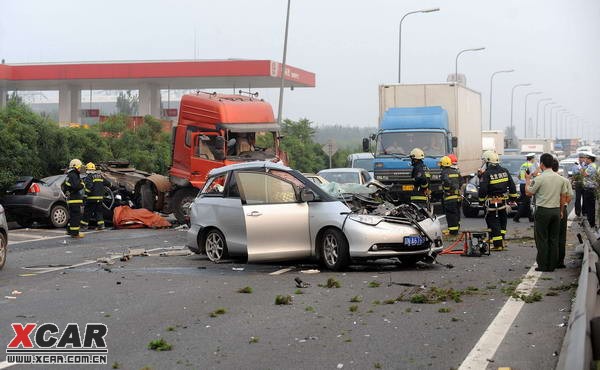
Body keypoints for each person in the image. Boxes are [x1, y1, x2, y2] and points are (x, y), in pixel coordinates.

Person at [526, 153, 566, 271]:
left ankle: (543, 265)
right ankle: (552, 265)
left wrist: (528, 180)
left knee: (542, 238)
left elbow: (529, 193)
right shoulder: (560, 178)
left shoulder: (540, 178)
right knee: (554, 239)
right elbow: (563, 196)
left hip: (543, 210)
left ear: (542, 164)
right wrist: (561, 210)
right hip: (556, 210)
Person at [478, 150, 518, 251]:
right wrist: (512, 198)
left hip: (492, 202)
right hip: (503, 202)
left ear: (488, 161)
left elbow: (483, 189)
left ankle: (497, 245)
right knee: (502, 220)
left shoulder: (487, 174)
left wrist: (481, 201)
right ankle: (502, 240)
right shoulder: (505, 171)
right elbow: (512, 186)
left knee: (493, 222)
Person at [553, 157, 573, 268]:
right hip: (562, 210)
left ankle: (549, 260)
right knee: (561, 236)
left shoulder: (543, 178)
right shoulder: (564, 180)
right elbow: (569, 196)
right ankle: (560, 261)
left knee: (550, 236)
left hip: (548, 208)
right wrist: (564, 204)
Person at [81, 162, 108, 231]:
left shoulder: (89, 177)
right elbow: (107, 183)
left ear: (88, 169)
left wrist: (85, 195)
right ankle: (101, 225)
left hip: (91, 198)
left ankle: (84, 226)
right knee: (98, 212)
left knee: (87, 212)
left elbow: (89, 187)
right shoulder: (99, 176)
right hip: (100, 198)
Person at [62, 159, 85, 238]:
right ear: (75, 167)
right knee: (76, 216)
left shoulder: (69, 175)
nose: (80, 169)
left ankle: (69, 230)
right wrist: (82, 183)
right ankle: (75, 233)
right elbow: (76, 186)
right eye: (79, 167)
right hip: (75, 199)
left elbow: (65, 187)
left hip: (71, 199)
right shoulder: (74, 175)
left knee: (72, 216)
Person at [439, 156, 461, 235]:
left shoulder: (444, 172)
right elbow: (460, 182)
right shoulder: (455, 171)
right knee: (456, 213)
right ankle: (456, 228)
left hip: (449, 196)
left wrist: (447, 189)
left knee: (450, 214)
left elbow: (446, 182)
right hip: (457, 196)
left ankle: (452, 231)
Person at [513, 153, 538, 223]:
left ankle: (530, 218)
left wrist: (522, 179)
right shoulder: (531, 165)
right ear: (532, 158)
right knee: (525, 202)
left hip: (521, 184)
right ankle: (516, 217)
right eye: (534, 158)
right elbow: (534, 174)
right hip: (527, 185)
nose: (534, 160)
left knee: (527, 201)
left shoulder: (522, 165)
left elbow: (518, 175)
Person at [581, 152, 597, 227]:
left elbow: (584, 174)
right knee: (589, 206)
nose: (585, 160)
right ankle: (590, 222)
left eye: (586, 158)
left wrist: (582, 168)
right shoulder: (590, 165)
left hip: (590, 189)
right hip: (589, 188)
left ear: (590, 159)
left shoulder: (591, 166)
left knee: (590, 207)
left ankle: (591, 223)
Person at [570, 152, 586, 217]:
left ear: (585, 159)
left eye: (582, 158)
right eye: (580, 158)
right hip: (578, 184)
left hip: (585, 184)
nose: (581, 159)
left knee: (585, 198)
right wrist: (572, 182)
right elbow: (573, 175)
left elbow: (586, 174)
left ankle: (584, 212)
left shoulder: (587, 166)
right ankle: (577, 212)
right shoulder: (575, 166)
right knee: (578, 199)